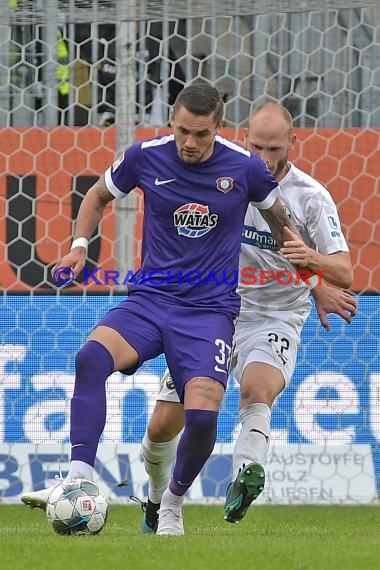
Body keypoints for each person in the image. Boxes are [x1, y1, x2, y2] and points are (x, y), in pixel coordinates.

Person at [20, 81, 303, 536]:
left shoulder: (245, 168)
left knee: (202, 415)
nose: (189, 143)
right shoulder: (144, 156)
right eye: (182, 131)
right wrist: (78, 247)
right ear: (172, 122)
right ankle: (79, 478)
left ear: (219, 128)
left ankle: (170, 502)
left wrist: (316, 279)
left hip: (208, 311)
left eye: (201, 134)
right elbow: (96, 196)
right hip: (150, 300)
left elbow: (281, 224)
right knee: (90, 358)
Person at [137, 101, 356, 533]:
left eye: (274, 148)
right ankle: (155, 495)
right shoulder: (220, 177)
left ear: (294, 142)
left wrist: (312, 268)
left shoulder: (310, 197)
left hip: (274, 315)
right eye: (256, 146)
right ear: (242, 138)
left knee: (257, 390)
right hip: (211, 312)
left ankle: (246, 474)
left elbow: (344, 269)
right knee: (163, 425)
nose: (264, 158)